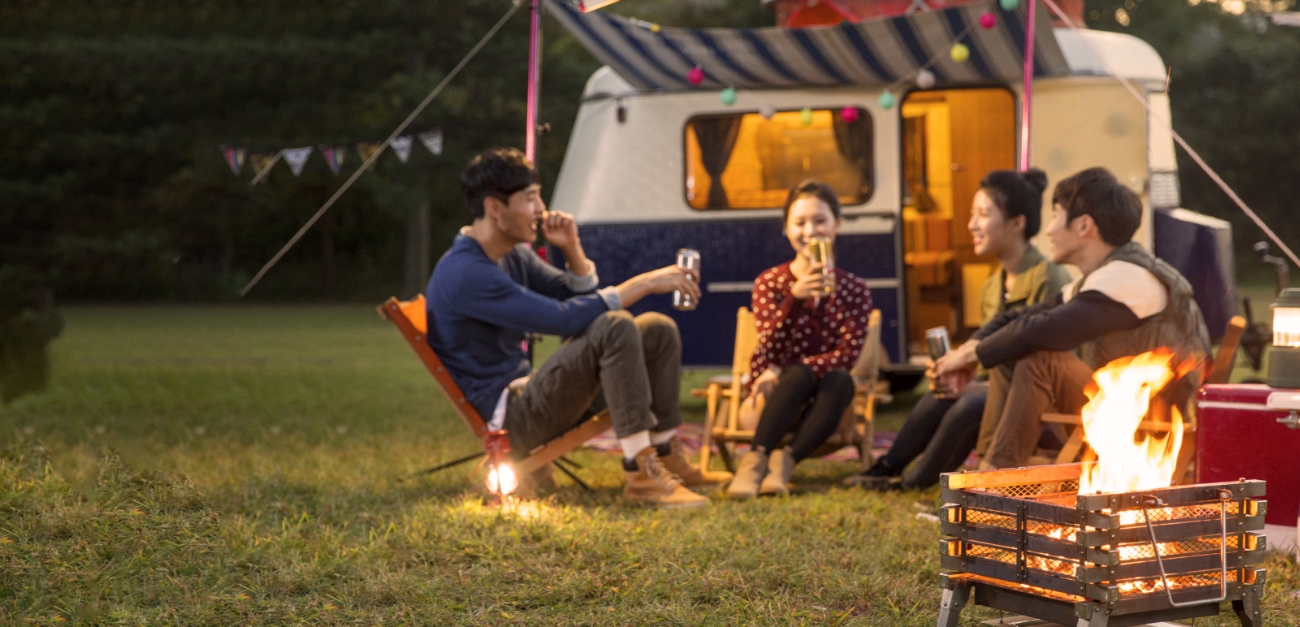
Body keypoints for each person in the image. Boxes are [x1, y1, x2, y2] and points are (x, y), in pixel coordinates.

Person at [426, 148, 721, 508]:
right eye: (531, 199)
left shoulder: (510, 254)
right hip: (512, 424)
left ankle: (665, 455)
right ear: (495, 208)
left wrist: (573, 248)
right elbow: (564, 319)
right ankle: (641, 475)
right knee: (614, 326)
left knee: (656, 329)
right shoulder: (467, 273)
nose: (542, 210)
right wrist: (643, 284)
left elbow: (575, 296)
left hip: (534, 400)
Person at [934, 167, 1211, 470]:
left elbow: (1045, 330)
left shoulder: (1132, 279)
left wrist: (973, 354)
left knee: (1040, 360)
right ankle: (989, 467)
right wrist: (967, 351)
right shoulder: (1102, 276)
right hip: (1122, 407)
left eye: (1056, 216)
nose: (1049, 230)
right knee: (1011, 346)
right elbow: (1019, 318)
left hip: (1151, 425)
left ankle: (995, 474)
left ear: (1083, 226)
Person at [846, 168, 1072, 489]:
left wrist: (972, 387)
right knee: (944, 394)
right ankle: (887, 467)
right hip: (1004, 396)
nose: (971, 225)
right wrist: (954, 374)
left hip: (1043, 408)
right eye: (972, 214)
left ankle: (911, 482)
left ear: (1016, 224)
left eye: (983, 214)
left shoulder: (1049, 279)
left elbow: (1046, 372)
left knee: (969, 403)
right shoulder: (992, 286)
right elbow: (986, 365)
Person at [726, 180, 874, 498]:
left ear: (837, 224)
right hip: (775, 394)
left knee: (840, 379)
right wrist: (793, 299)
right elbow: (769, 346)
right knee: (798, 374)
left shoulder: (854, 289)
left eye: (820, 221)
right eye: (800, 222)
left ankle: (784, 464)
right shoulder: (771, 283)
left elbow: (847, 355)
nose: (810, 231)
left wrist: (784, 367)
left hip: (826, 396)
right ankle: (754, 462)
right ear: (786, 228)